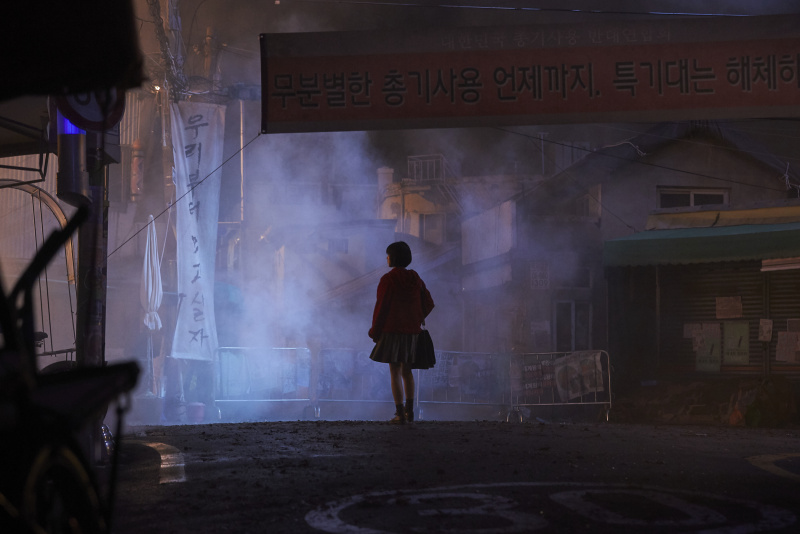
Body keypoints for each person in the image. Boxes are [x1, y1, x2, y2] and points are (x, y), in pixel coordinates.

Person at [368, 241, 434, 424]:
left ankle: (399, 414)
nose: (386, 258)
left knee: (394, 371)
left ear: (393, 258)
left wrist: (375, 331)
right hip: (412, 332)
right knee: (407, 371)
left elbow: (381, 307)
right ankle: (410, 412)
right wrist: (419, 316)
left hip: (392, 331)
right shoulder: (415, 278)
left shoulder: (388, 279)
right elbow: (429, 302)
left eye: (388, 255)